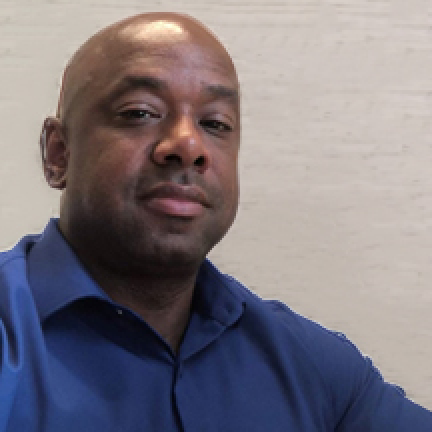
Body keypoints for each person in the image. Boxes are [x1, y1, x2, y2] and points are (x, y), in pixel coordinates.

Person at [0, 12, 431, 432]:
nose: (188, 145)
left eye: (215, 123)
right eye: (140, 112)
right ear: (58, 154)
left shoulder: (313, 370)